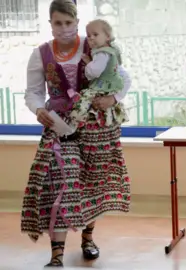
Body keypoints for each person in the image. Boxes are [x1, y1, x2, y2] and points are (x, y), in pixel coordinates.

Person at [20, 0, 132, 267]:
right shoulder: (42, 53)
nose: (64, 28)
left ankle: (88, 238)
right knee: (57, 179)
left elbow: (121, 74)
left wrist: (113, 99)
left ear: (77, 23)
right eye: (58, 23)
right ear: (50, 24)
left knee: (92, 182)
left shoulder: (93, 44)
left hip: (95, 123)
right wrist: (38, 110)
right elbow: (33, 91)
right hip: (59, 124)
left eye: (68, 23)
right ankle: (56, 253)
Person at [67, 19, 127, 133]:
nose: (91, 38)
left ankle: (74, 122)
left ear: (108, 37)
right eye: (89, 36)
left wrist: (88, 64)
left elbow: (94, 72)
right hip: (111, 86)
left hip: (102, 87)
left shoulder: (101, 53)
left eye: (95, 34)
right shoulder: (111, 51)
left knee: (83, 100)